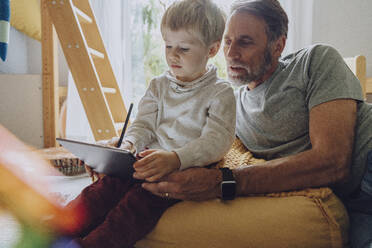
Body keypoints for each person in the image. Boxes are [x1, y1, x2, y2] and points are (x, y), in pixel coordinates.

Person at [140, 0, 372, 247]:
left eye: (245, 42)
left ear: (278, 45)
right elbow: (179, 136)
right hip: (352, 202)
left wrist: (224, 183)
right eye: (227, 41)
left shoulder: (313, 62)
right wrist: (132, 150)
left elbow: (333, 162)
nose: (230, 53)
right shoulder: (229, 103)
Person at [66, 0, 235, 247]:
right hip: (142, 163)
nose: (172, 55)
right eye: (168, 45)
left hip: (179, 172)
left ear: (212, 50)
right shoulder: (158, 85)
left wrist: (175, 158)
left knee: (132, 210)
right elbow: (143, 124)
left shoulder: (220, 93)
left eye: (184, 48)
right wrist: (130, 143)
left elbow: (217, 141)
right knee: (100, 192)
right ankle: (55, 229)